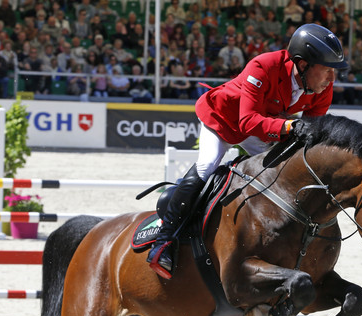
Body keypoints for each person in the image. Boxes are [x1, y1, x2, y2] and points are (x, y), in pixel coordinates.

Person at [146, 24, 347, 278]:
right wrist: (289, 125)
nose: (332, 79)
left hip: (262, 129)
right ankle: (163, 241)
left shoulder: (321, 88)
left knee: (281, 172)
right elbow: (247, 121)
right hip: (224, 120)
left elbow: (309, 132)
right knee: (207, 167)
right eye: (327, 70)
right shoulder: (263, 66)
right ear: (303, 64)